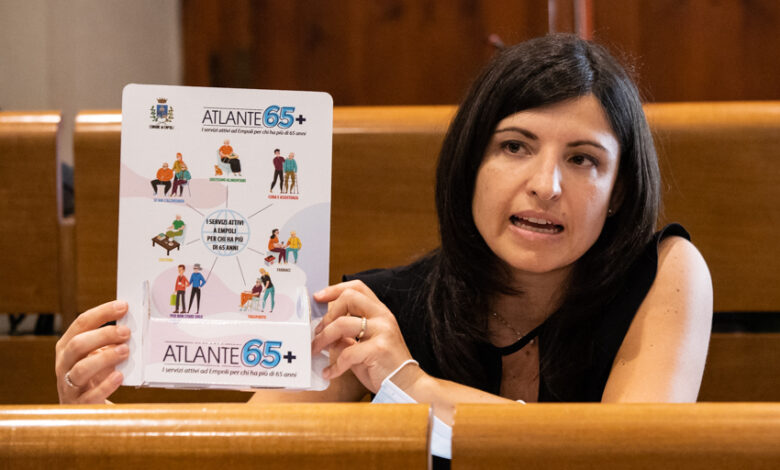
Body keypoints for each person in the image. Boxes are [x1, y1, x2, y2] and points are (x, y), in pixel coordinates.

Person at [55, 35, 711, 464]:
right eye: (515, 146)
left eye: (583, 159)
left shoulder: (666, 272)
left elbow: (631, 455)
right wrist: (93, 423)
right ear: (469, 166)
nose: (546, 185)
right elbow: (238, 458)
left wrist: (412, 386)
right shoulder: (379, 316)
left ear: (619, 192)